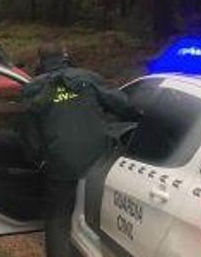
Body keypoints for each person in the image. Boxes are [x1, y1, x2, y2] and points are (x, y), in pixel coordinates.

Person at [20, 41, 134, 257]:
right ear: (65, 56)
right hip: (99, 162)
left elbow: (28, 133)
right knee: (99, 215)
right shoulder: (89, 78)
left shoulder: (33, 89)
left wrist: (39, 160)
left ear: (40, 61)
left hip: (60, 165)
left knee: (57, 219)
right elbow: (122, 105)